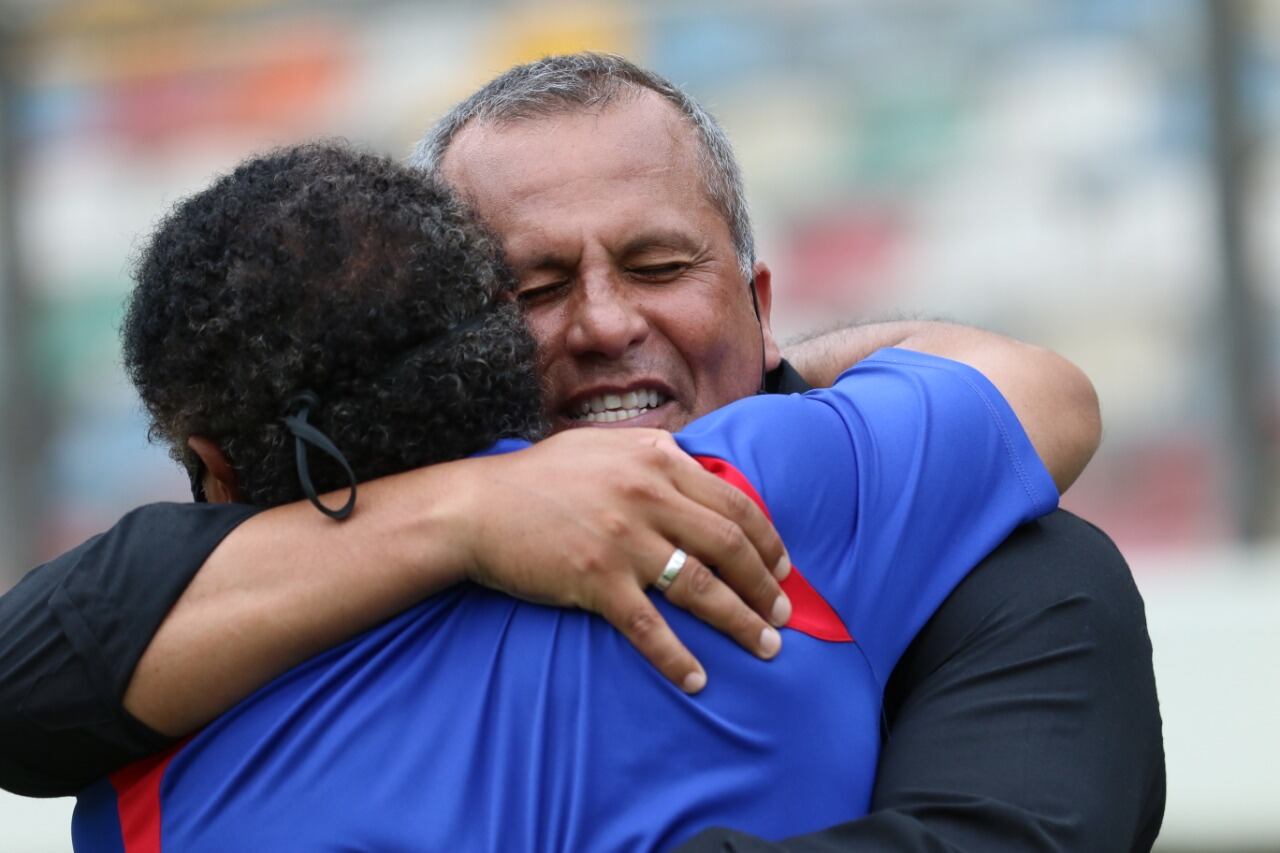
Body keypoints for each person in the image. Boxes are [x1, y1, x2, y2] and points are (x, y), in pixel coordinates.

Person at [0, 54, 1163, 851]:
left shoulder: (973, 549)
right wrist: (475, 509)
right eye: (534, 287)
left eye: (658, 269)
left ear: (760, 305)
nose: (606, 323)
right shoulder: (199, 612)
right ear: (455, 332)